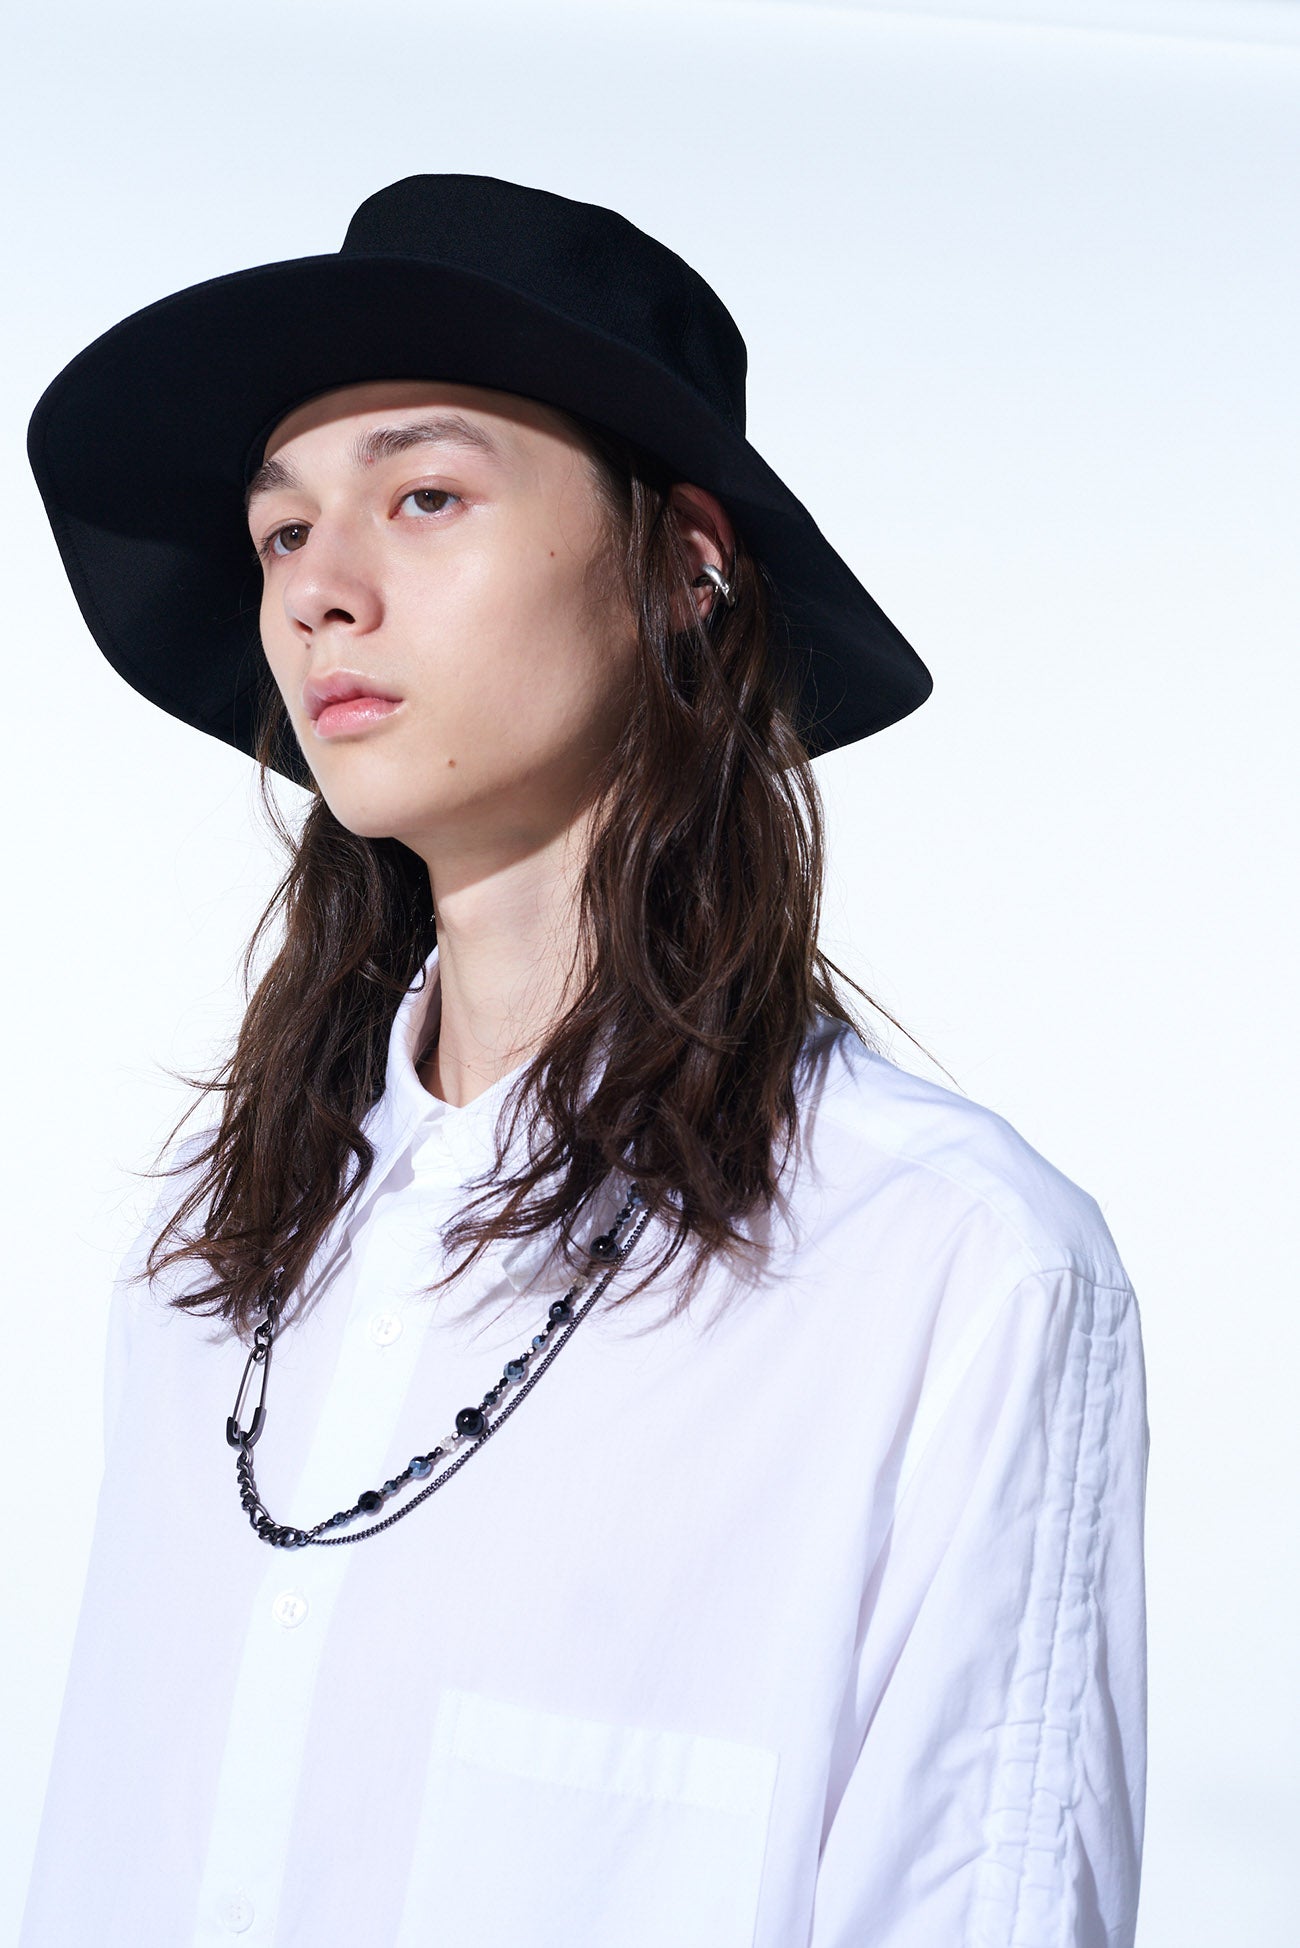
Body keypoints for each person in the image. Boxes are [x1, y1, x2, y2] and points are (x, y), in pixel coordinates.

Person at [21, 175, 1147, 1948]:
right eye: (281, 532)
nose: (320, 594)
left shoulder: (941, 1266)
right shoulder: (208, 1266)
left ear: (686, 564)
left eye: (425, 496)